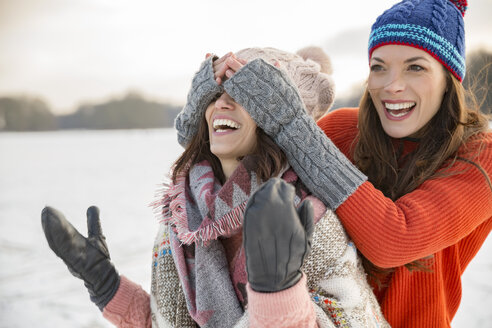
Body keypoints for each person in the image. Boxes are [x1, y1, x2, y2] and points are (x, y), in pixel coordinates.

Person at [186, 0, 491, 327]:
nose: (391, 85)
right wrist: (208, 97)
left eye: (415, 67)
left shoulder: (479, 157)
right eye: (378, 66)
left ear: (449, 78)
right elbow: (245, 162)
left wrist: (292, 123)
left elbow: (393, 239)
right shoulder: (341, 129)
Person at [41, 47, 389, 327]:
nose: (222, 103)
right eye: (217, 94)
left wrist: (278, 293)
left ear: (277, 115)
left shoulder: (306, 216)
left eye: (243, 94)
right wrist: (106, 286)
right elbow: (168, 322)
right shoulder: (183, 219)